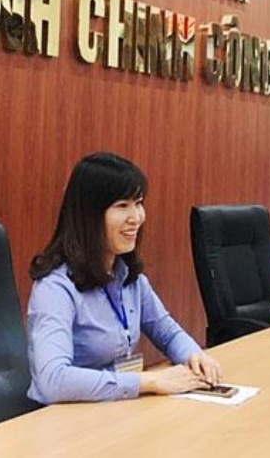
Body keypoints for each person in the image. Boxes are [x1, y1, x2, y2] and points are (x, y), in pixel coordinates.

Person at [26, 152, 221, 404]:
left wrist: (195, 357)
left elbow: (168, 333)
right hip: (64, 423)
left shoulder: (128, 276)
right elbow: (53, 380)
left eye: (138, 203)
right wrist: (148, 382)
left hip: (113, 411)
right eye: (122, 206)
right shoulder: (55, 287)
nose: (136, 217)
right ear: (89, 215)